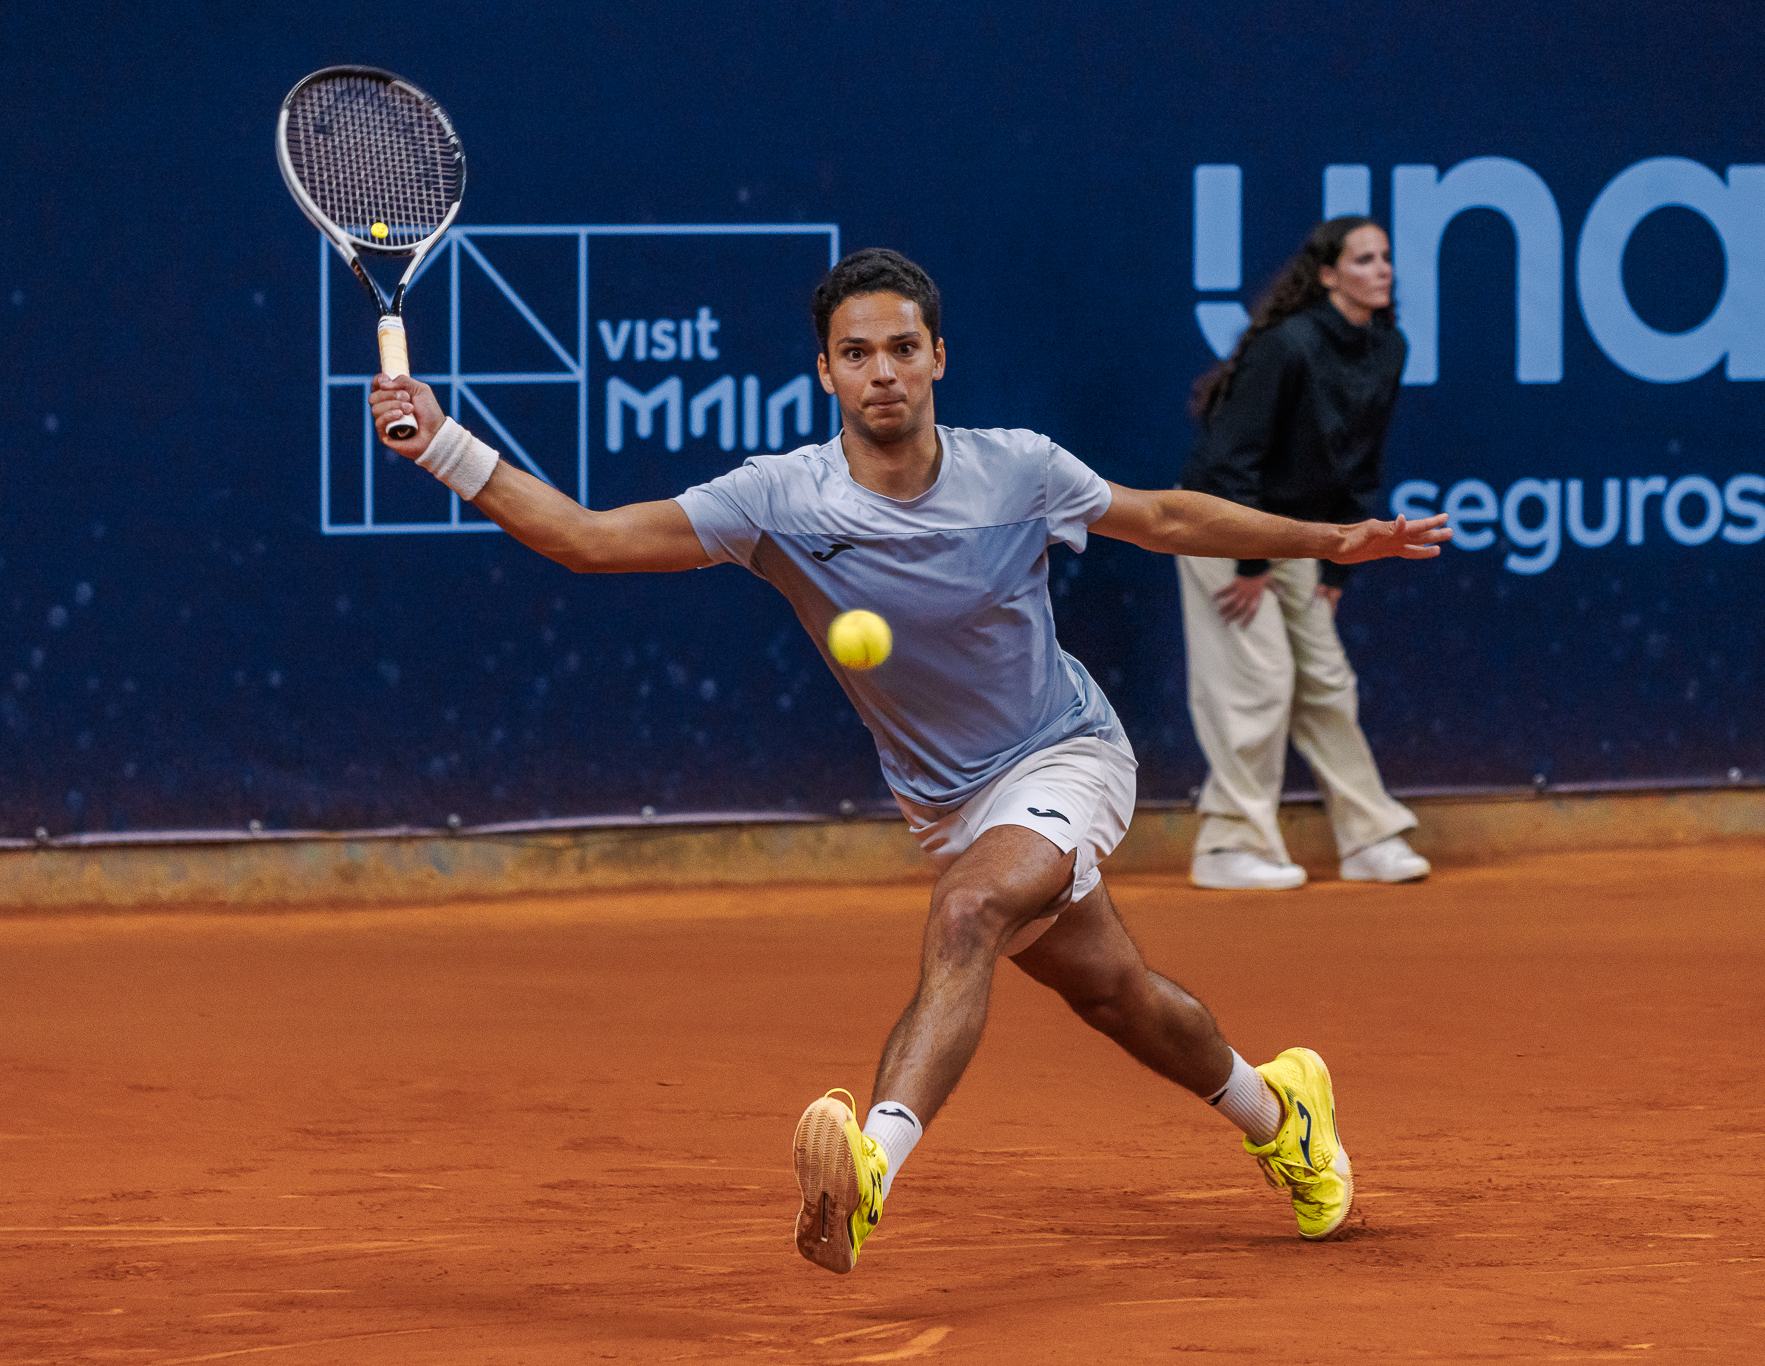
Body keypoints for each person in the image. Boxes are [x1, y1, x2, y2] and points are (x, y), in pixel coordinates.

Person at [367, 248, 1448, 1275]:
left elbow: (1161, 516)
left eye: (900, 348)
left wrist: (1328, 538)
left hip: (1065, 752)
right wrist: (443, 444)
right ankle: (1280, 1113)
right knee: (1117, 994)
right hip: (944, 798)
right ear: (825, 370)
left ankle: (870, 1167)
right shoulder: (779, 498)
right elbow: (587, 536)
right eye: (855, 353)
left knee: (969, 911)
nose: (880, 371)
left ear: (937, 357)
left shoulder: (1018, 469)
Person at [1177, 216, 1432, 892]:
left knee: (1327, 683)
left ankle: (1369, 839)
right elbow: (1233, 458)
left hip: (1296, 531)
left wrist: (1340, 561)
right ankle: (1228, 845)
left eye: (1385, 258)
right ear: (1327, 275)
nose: (1382, 269)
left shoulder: (1388, 347)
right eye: (1364, 259)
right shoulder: (1287, 347)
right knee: (1256, 682)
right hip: (1223, 526)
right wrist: (1251, 564)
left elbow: (1358, 463)